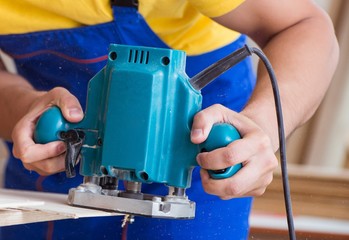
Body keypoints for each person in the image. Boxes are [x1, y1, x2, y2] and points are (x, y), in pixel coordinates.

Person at [0, 0, 339, 239]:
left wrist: (260, 126)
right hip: (64, 160)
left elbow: (304, 26)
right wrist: (26, 111)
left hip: (204, 163)